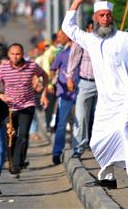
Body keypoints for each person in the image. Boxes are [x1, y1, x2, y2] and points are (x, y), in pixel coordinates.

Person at [61, 0, 128, 191]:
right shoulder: (90, 40)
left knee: (122, 129)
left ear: (112, 17)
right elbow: (68, 27)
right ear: (95, 19)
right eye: (102, 15)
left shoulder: (125, 39)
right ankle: (107, 176)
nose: (106, 19)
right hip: (106, 103)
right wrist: (77, 1)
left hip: (127, 99)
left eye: (108, 15)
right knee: (98, 139)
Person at [0, 43, 49, 178]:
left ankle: (16, 164)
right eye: (13, 54)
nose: (15, 57)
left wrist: (44, 95)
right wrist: (1, 96)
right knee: (12, 135)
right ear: (9, 55)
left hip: (27, 104)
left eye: (18, 54)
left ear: (22, 54)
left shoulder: (31, 66)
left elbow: (45, 76)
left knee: (23, 134)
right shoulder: (2, 69)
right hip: (10, 108)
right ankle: (15, 160)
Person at [66, 20, 98, 159]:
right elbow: (73, 60)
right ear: (87, 29)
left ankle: (100, 148)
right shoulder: (81, 41)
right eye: (92, 29)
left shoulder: (106, 41)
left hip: (104, 84)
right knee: (81, 117)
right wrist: (69, 78)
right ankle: (78, 148)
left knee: (101, 118)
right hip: (85, 83)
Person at [50, 35, 78, 165]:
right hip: (65, 95)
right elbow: (53, 69)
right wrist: (53, 84)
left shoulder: (83, 55)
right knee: (61, 125)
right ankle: (57, 152)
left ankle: (77, 150)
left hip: (79, 93)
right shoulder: (62, 54)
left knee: (79, 124)